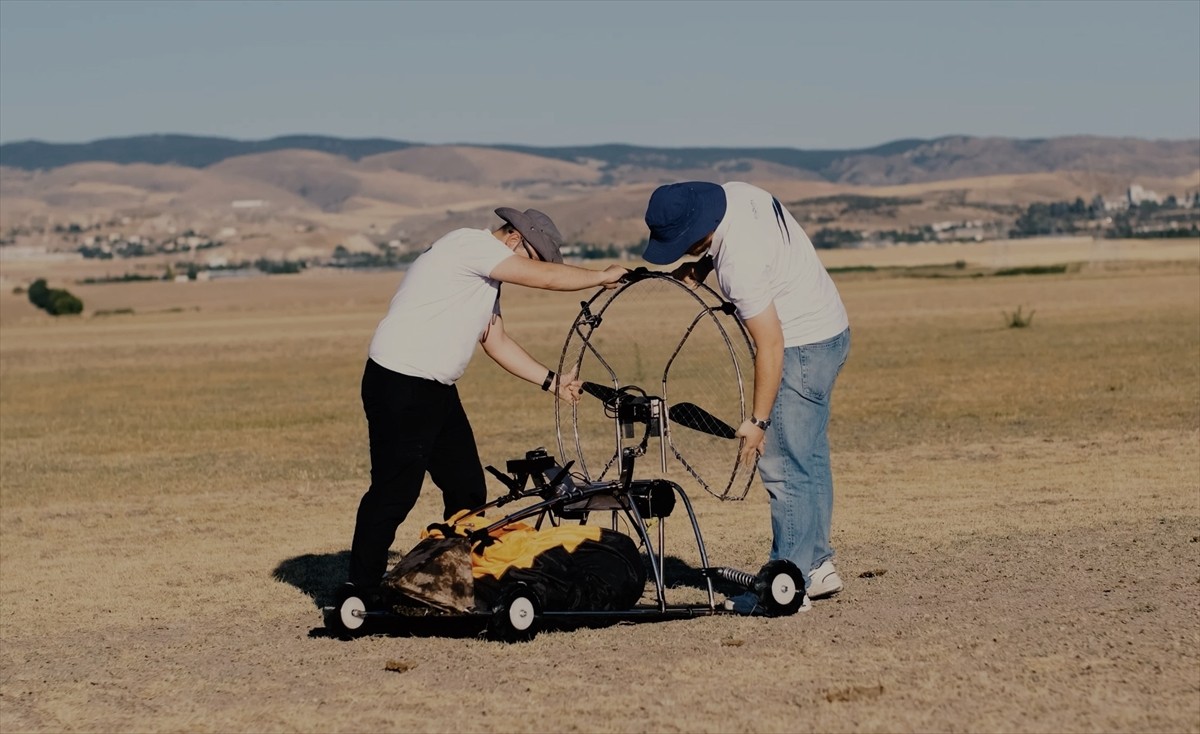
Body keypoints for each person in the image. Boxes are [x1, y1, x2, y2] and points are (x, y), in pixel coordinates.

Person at [346, 208, 627, 593]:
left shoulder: (483, 278)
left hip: (435, 388)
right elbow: (546, 278)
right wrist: (601, 276)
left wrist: (553, 382)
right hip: (401, 382)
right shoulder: (470, 245)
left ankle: (450, 582)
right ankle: (359, 592)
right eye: (531, 257)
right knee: (394, 492)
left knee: (467, 491)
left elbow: (496, 340)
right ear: (514, 238)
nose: (528, 268)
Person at [642, 181, 851, 613]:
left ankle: (787, 584)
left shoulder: (739, 263)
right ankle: (816, 566)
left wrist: (757, 423)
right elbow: (748, 245)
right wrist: (703, 266)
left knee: (784, 467)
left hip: (800, 348)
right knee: (809, 458)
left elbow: (770, 345)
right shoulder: (737, 193)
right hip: (831, 331)